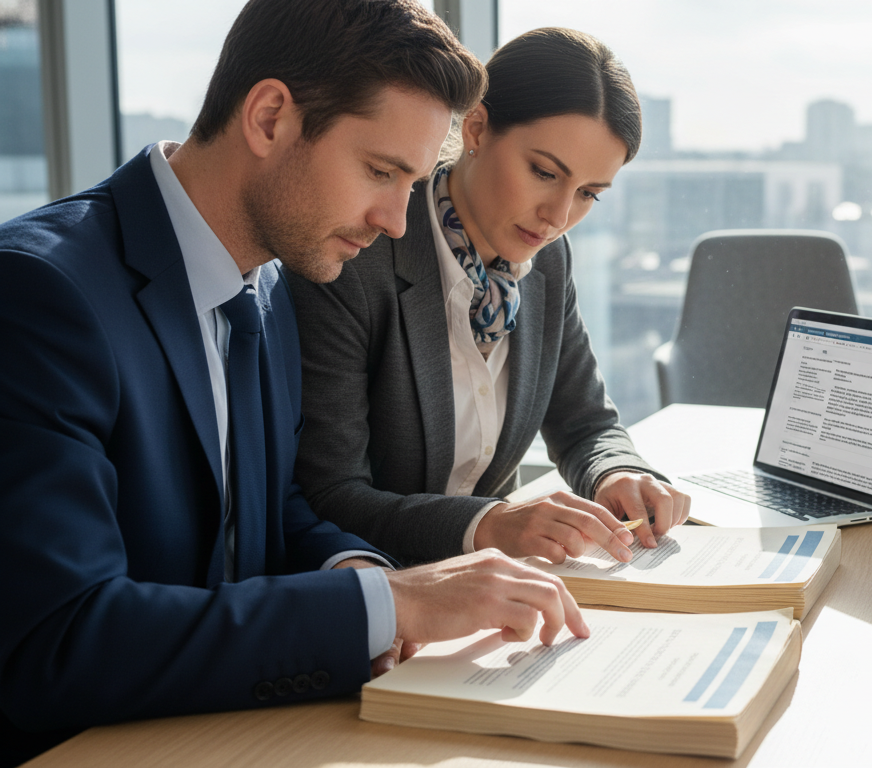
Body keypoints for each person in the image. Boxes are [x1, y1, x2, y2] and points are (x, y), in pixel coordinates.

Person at [0, 3, 588, 765]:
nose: (396, 221)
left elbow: (270, 514)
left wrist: (374, 581)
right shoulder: (41, 294)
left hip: (230, 727)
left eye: (411, 182)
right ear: (271, 117)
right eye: (381, 171)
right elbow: (59, 641)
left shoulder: (269, 279)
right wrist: (387, 604)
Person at [289, 28, 691, 568]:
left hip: (490, 588)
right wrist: (488, 525)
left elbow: (585, 423)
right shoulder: (356, 258)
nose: (559, 217)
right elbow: (331, 496)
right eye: (545, 173)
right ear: (476, 126)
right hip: (377, 589)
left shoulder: (546, 259)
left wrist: (616, 471)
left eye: (589, 194)